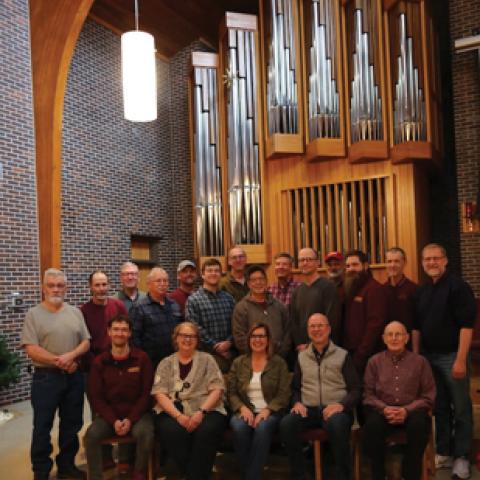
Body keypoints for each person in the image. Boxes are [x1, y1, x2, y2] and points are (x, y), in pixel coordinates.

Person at [413, 243, 476, 479]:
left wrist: (460, 360)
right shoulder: (422, 291)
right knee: (439, 408)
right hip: (428, 357)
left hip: (452, 356)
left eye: (436, 258)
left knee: (460, 408)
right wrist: (418, 358)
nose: (431, 263)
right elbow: (416, 327)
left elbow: (466, 327)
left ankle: (462, 456)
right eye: (427, 259)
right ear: (422, 262)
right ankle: (444, 451)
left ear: (445, 260)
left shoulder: (458, 287)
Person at [21, 268, 90, 480]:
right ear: (43, 288)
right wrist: (60, 361)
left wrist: (72, 355)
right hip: (45, 379)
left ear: (66, 287)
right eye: (51, 285)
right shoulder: (34, 314)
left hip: (73, 378)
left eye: (60, 285)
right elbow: (30, 348)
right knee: (42, 425)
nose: (56, 289)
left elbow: (86, 342)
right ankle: (41, 470)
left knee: (72, 423)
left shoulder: (75, 312)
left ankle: (66, 465)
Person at [280, 313, 361, 480]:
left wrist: (341, 405)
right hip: (308, 409)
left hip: (335, 409)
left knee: (338, 425)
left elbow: (355, 389)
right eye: (312, 326)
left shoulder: (342, 355)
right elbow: (295, 387)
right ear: (308, 331)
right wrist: (296, 403)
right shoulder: (302, 357)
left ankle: (343, 476)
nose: (316, 329)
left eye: (320, 325)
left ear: (329, 329)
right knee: (287, 424)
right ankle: (300, 475)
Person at [152, 322, 227, 480]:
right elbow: (160, 393)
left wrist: (201, 412)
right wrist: (178, 416)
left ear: (197, 340)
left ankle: (192, 475)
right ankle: (197, 474)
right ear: (176, 339)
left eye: (192, 336)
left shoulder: (208, 360)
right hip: (173, 409)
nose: (187, 339)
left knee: (206, 431)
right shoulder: (165, 363)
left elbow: (217, 389)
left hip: (207, 407)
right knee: (173, 431)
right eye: (183, 335)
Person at [363, 321, 436, 480]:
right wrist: (384, 408)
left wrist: (406, 410)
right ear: (383, 338)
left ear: (406, 338)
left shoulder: (420, 362)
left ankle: (409, 474)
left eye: (399, 334)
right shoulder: (374, 362)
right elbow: (368, 395)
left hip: (412, 412)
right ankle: (379, 474)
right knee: (371, 426)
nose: (394, 338)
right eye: (390, 334)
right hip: (383, 412)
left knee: (419, 426)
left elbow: (429, 395)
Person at [84, 315, 154, 480]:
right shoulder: (99, 362)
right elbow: (96, 397)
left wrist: (130, 419)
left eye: (124, 330)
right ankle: (95, 476)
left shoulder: (142, 359)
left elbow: (146, 394)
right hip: (110, 416)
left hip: (138, 415)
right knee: (91, 435)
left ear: (130, 333)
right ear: (109, 332)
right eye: (116, 329)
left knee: (146, 433)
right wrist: (113, 420)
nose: (119, 333)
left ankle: (139, 472)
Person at [228, 322, 291, 480]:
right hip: (245, 410)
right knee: (239, 427)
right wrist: (242, 408)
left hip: (271, 412)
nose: (258, 340)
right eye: (254, 336)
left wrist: (267, 410)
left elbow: (284, 394)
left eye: (262, 336)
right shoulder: (238, 362)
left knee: (263, 427)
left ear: (268, 340)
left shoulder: (279, 363)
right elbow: (231, 392)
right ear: (249, 340)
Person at [186, 258, 236, 372]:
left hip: (230, 354)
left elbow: (236, 324)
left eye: (216, 271)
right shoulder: (193, 300)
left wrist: (229, 342)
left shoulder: (229, 298)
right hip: (206, 357)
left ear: (221, 274)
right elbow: (195, 328)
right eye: (209, 270)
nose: (213, 273)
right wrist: (216, 346)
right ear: (202, 275)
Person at [342, 249, 388, 374]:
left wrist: (361, 354)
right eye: (348, 265)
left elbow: (375, 324)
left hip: (366, 355)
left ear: (365, 265)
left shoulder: (374, 288)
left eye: (355, 264)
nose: (351, 268)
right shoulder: (350, 287)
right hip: (351, 352)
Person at [232, 265, 291, 358]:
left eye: (261, 279)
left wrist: (281, 354)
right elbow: (239, 339)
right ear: (248, 284)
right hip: (253, 360)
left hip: (279, 359)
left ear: (266, 281)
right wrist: (257, 356)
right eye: (254, 280)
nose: (258, 282)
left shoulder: (279, 306)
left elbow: (288, 332)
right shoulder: (241, 308)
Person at [131, 267, 182, 368]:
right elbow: (134, 338)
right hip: (151, 363)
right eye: (158, 281)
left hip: (174, 361)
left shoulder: (174, 305)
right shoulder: (140, 307)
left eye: (165, 281)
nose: (162, 284)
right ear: (149, 284)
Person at [290, 248, 340, 348]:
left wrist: (313, 345)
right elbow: (294, 322)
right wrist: (299, 344)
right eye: (301, 260)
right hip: (303, 349)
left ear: (317, 263)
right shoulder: (297, 291)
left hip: (324, 347)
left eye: (309, 259)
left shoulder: (328, 287)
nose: (305, 263)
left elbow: (332, 320)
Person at [80, 270, 127, 372]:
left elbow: (127, 332)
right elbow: (83, 341)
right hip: (94, 365)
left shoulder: (119, 306)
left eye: (104, 284)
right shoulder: (84, 311)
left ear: (108, 286)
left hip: (118, 361)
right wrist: (96, 364)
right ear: (90, 287)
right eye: (97, 285)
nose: (101, 289)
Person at [384, 247, 418, 333]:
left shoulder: (414, 289)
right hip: (387, 341)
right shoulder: (380, 290)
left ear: (404, 263)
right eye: (389, 261)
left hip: (407, 340)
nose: (392, 265)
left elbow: (417, 323)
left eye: (396, 261)